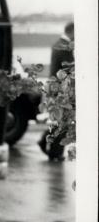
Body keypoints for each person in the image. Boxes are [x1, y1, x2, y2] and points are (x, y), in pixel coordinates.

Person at [39, 20, 74, 160]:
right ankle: (55, 153)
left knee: (59, 121)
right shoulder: (64, 47)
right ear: (72, 31)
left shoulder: (58, 44)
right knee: (64, 121)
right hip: (61, 89)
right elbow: (68, 70)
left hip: (54, 87)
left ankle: (44, 142)